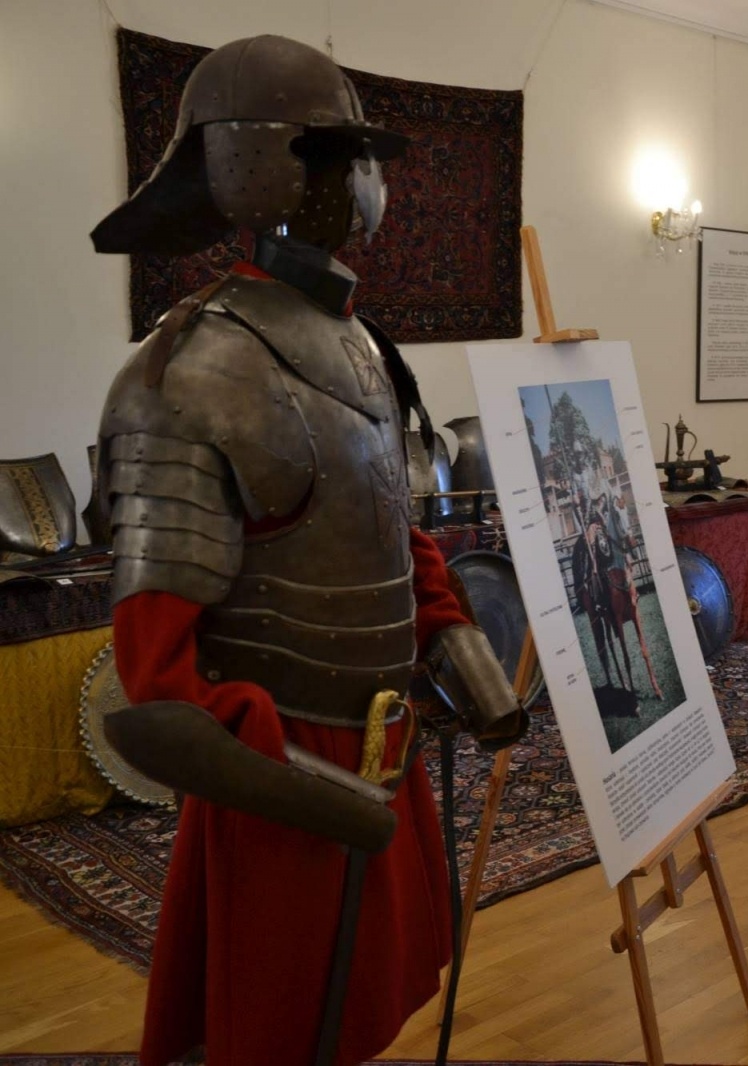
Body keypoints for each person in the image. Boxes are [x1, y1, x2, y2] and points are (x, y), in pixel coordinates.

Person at [89, 36, 524, 1066]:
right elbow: (151, 693)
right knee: (275, 1025)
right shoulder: (187, 371)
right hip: (280, 774)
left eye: (358, 160)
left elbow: (394, 534)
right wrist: (324, 798)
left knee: (362, 1009)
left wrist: (471, 672)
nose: (360, 185)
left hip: (382, 743)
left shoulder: (366, 347)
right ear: (256, 162)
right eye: (332, 156)